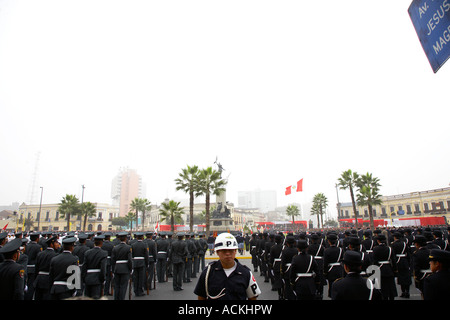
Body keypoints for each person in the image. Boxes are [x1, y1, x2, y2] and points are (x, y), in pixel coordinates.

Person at [194, 232, 261, 300]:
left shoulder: (246, 273)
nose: (228, 253)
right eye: (224, 251)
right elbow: (201, 296)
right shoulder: (208, 272)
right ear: (217, 252)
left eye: (231, 250)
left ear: (235, 251)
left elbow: (252, 297)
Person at [34, 235, 60, 300]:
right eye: (56, 243)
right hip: (48, 280)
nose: (58, 244)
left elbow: (36, 268)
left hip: (39, 279)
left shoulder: (40, 254)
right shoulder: (55, 255)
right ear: (51, 244)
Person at [81, 234, 107, 299]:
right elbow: (103, 268)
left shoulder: (87, 252)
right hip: (97, 279)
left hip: (88, 278)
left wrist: (84, 278)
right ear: (101, 243)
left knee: (87, 297)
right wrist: (102, 279)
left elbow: (84, 267)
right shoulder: (103, 253)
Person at [111, 232, 132, 300]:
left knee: (117, 286)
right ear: (126, 238)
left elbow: (113, 260)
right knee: (123, 286)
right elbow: (130, 260)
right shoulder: (128, 247)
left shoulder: (115, 248)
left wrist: (113, 269)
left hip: (117, 268)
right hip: (125, 268)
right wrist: (130, 269)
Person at [131, 232, 148, 296]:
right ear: (142, 237)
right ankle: (140, 290)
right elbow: (146, 255)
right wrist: (147, 263)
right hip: (142, 262)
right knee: (141, 277)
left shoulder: (133, 245)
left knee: (135, 277)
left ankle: (135, 290)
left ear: (137, 237)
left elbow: (132, 255)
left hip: (135, 262)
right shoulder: (144, 245)